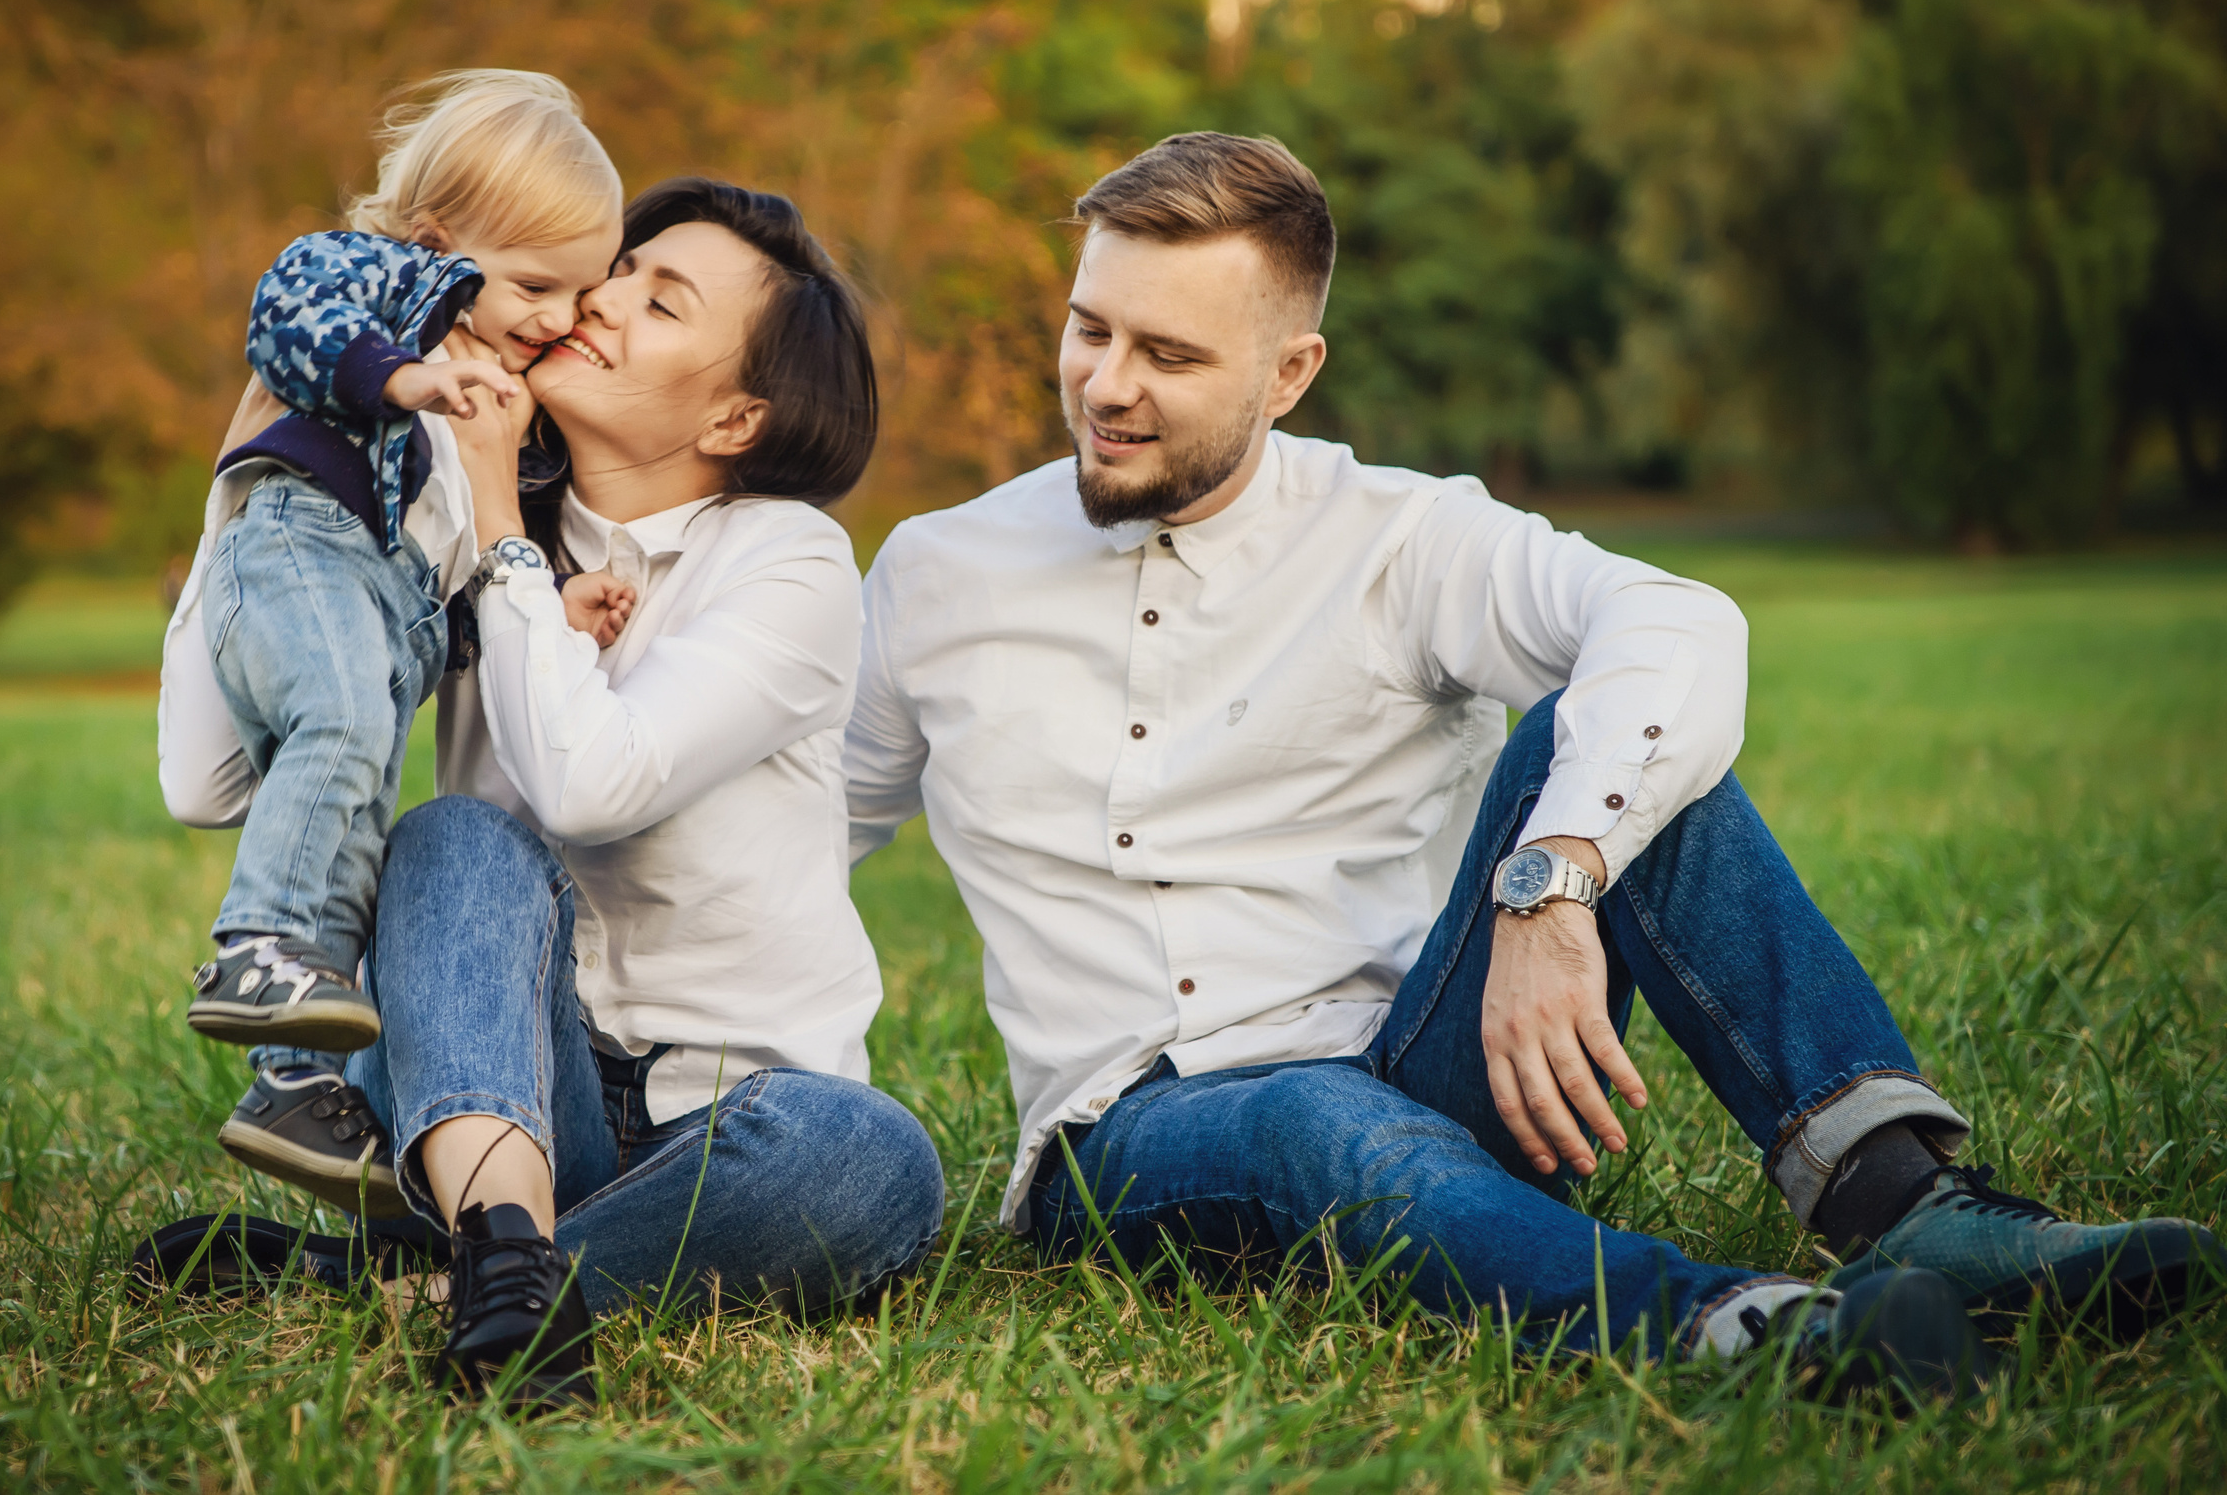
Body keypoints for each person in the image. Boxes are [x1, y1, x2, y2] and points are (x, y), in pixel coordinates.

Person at [843, 131, 2220, 1400]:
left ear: (1290, 372)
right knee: (1310, 1117)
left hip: (1432, 1062)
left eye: (1171, 355)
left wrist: (1553, 880)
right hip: (1132, 1136)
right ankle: (1746, 1328)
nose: (1107, 384)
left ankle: (1906, 1203)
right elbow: (805, 828)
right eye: (1089, 329)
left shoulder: (1399, 536)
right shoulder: (937, 572)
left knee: (1617, 747)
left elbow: (1676, 619)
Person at [162, 176, 944, 1413]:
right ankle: (501, 1255)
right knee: (453, 839)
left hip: (729, 1123)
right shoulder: (437, 521)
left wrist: (499, 536)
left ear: (738, 414)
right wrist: (260, 463)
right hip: (495, 1085)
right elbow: (204, 777)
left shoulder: (790, 563)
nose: (605, 298)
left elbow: (594, 785)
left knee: (870, 1162)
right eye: (618, 270)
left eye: (661, 298)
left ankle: (463, 1278)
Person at [177, 69, 638, 1099]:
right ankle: (254, 945)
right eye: (535, 286)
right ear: (434, 243)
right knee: (340, 726)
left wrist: (546, 603)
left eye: (582, 289)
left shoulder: (497, 403)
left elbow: (449, 560)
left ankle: (293, 1086)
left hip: (384, 607)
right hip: (304, 545)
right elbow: (288, 311)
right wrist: (402, 375)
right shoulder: (379, 282)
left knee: (357, 831)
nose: (562, 316)